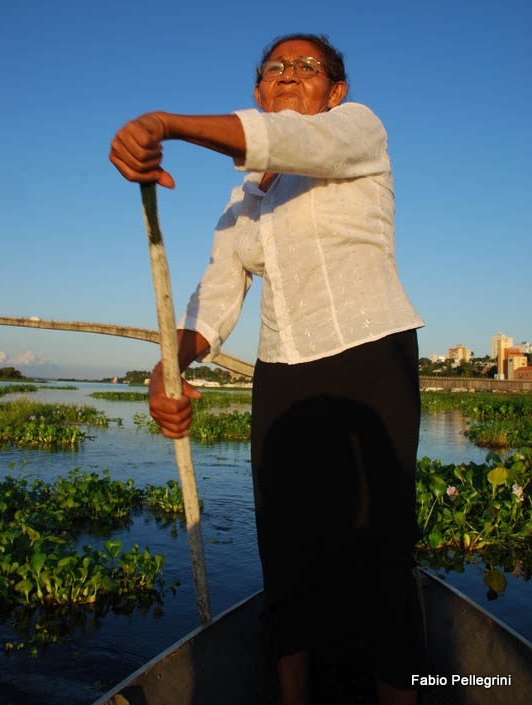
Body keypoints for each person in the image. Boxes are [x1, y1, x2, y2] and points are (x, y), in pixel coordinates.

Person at [110, 33, 425, 705]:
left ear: (335, 90)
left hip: (371, 359)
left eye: (307, 67)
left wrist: (165, 124)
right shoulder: (243, 202)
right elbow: (212, 303)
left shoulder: (359, 130)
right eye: (273, 68)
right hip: (282, 376)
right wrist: (166, 365)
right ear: (257, 89)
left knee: (379, 554)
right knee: (285, 552)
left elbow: (289, 142)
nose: (287, 75)